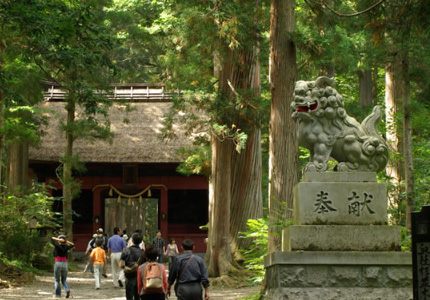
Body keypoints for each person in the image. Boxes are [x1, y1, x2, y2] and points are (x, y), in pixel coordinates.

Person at [120, 232, 145, 300]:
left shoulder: (126, 250)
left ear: (132, 240)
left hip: (129, 276)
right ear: (140, 242)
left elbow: (121, 264)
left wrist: (128, 268)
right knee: (138, 296)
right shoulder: (143, 252)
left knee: (129, 296)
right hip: (139, 276)